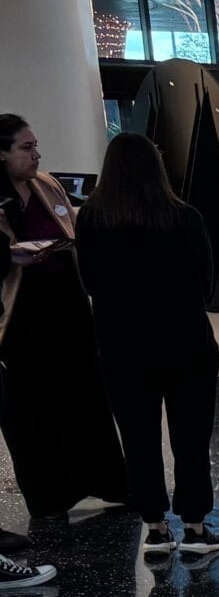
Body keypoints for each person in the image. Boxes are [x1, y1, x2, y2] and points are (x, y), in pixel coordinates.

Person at [76, 133, 219, 560]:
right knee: (192, 438)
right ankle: (196, 528)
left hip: (123, 348)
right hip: (187, 344)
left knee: (138, 439)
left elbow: (89, 283)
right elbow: (207, 286)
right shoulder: (184, 218)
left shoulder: (91, 220)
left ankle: (155, 529)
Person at [0, 114, 126, 527]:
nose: (36, 154)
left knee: (86, 398)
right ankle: (50, 494)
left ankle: (107, 482)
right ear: (1, 154)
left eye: (35, 146)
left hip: (69, 310)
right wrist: (11, 255)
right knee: (33, 411)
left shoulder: (47, 184)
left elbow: (71, 226)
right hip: (20, 321)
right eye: (25, 147)